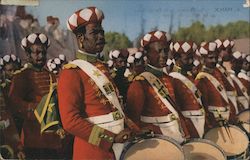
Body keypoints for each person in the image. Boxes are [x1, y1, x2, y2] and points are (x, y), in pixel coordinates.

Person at [58, 7, 135, 160]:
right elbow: (70, 122)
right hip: (92, 151)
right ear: (81, 38)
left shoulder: (103, 68)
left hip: (117, 148)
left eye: (102, 32)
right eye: (94, 33)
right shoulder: (71, 72)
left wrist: (135, 130)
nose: (101, 37)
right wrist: (110, 138)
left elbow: (116, 108)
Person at [126, 30, 193, 143]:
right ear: (147, 54)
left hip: (176, 136)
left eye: (165, 51)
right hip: (155, 141)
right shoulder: (140, 83)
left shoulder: (171, 80)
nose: (163, 55)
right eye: (158, 51)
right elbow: (133, 120)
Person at [9, 33, 65, 159]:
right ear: (28, 55)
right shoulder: (21, 76)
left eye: (43, 52)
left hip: (53, 139)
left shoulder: (51, 75)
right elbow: (14, 103)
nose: (41, 56)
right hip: (33, 138)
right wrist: (39, 109)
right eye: (36, 52)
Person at [169, 41, 206, 137]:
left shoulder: (188, 76)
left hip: (199, 122)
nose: (191, 62)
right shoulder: (173, 79)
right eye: (187, 59)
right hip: (188, 126)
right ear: (176, 58)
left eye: (192, 58)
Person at [195, 42, 235, 126]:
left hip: (226, 118)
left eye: (216, 57)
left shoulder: (217, 72)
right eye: (210, 58)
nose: (214, 60)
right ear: (203, 59)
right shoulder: (201, 79)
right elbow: (204, 105)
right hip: (214, 121)